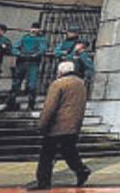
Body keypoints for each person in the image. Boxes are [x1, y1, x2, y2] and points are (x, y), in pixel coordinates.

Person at [32, 61, 92, 190]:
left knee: (46, 155)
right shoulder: (80, 84)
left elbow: (49, 107)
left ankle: (43, 183)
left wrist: (41, 124)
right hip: (73, 125)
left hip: (57, 126)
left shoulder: (58, 84)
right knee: (69, 151)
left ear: (60, 72)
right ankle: (81, 171)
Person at [9, 22, 48, 111]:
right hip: (21, 62)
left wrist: (35, 55)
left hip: (33, 63)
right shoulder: (24, 38)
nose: (34, 30)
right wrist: (19, 54)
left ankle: (31, 104)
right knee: (16, 84)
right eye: (33, 28)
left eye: (36, 28)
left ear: (39, 30)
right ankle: (11, 103)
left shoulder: (41, 39)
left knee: (32, 85)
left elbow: (42, 49)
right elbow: (14, 48)